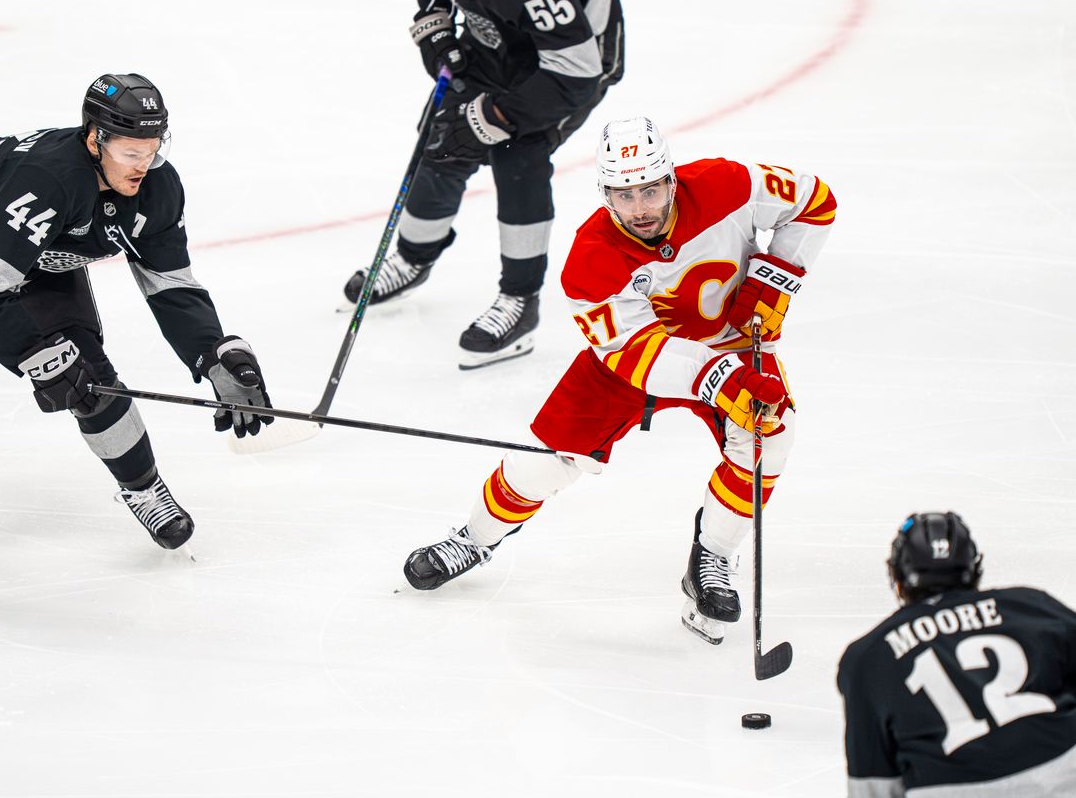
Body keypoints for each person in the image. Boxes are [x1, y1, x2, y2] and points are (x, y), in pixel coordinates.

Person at [401, 117, 836, 645]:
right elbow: (633, 351)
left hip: (731, 341)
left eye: (651, 189)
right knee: (545, 461)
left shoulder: (727, 184)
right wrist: (719, 378)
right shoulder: (591, 257)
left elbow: (814, 201)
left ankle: (713, 556)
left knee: (771, 436)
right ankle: (475, 538)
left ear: (672, 179)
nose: (640, 208)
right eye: (624, 195)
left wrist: (775, 280)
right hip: (636, 360)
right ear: (604, 193)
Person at [0, 73, 274, 550]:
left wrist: (211, 352)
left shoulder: (159, 187)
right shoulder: (47, 181)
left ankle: (145, 489)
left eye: (152, 151)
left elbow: (170, 285)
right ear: (95, 140)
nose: (144, 165)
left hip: (39, 266)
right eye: (131, 153)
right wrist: (35, 354)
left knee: (90, 380)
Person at [341, 0, 625, 370]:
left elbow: (576, 73)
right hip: (494, 45)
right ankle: (413, 258)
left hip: (571, 63)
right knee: (442, 138)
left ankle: (520, 299)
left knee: (518, 151)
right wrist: (435, 26)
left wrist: (492, 117)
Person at [837, 512, 1076, 796]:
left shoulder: (868, 657)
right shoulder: (1033, 607)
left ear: (897, 577)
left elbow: (872, 786)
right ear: (974, 568)